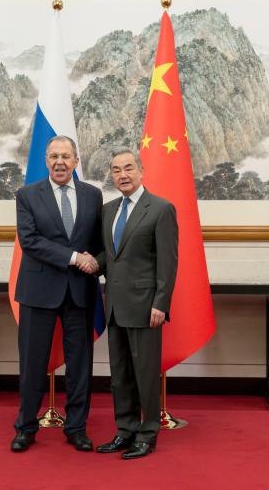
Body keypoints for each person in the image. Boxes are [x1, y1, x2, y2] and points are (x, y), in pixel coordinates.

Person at [11, 135, 103, 453]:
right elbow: (30, 241)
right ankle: (26, 428)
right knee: (33, 363)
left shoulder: (93, 195)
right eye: (53, 156)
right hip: (38, 291)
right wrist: (75, 258)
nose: (59, 162)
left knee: (80, 365)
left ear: (76, 161)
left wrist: (97, 262)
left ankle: (76, 427)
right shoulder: (27, 195)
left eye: (65, 156)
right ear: (46, 161)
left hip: (80, 291)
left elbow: (99, 242)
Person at [95, 148, 178, 460]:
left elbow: (168, 262)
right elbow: (110, 257)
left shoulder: (160, 209)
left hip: (146, 307)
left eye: (128, 168)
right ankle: (125, 430)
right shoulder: (108, 210)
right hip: (115, 307)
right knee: (120, 376)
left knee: (145, 375)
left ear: (141, 171)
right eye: (116, 170)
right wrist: (88, 262)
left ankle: (147, 434)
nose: (123, 175)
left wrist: (161, 303)